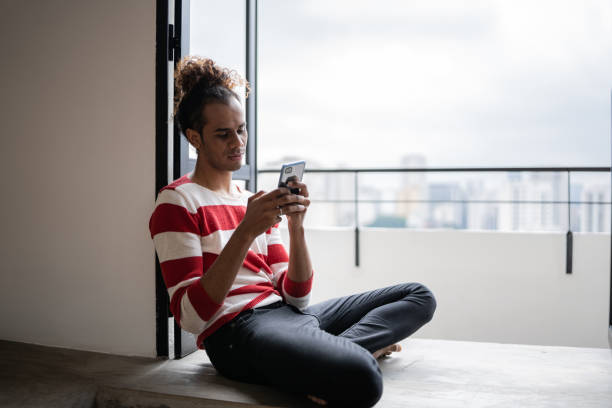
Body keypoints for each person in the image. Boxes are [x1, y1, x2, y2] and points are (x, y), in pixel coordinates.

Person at [149, 56, 437, 408]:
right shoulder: (176, 202)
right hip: (237, 332)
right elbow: (192, 317)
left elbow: (296, 297)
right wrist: (244, 232)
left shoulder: (251, 200)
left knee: (418, 296)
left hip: (288, 317)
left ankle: (322, 358)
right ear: (195, 137)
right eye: (223, 134)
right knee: (363, 378)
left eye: (241, 129)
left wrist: (296, 227)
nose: (238, 141)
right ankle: (340, 355)